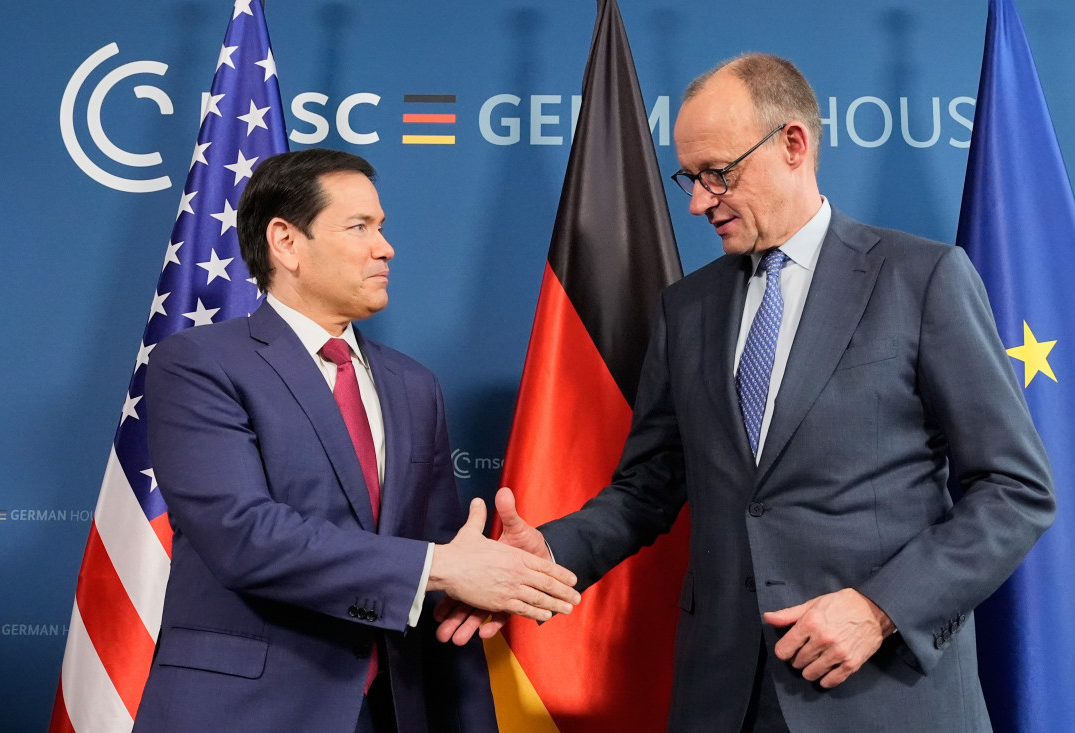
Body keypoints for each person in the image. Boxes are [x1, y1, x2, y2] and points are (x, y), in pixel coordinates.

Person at [438, 54, 1056, 732]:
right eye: (690, 178)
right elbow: (649, 486)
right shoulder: (686, 308)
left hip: (881, 691)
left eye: (719, 173)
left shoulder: (922, 277)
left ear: (793, 144)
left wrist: (881, 608)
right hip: (724, 694)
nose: (699, 202)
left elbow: (1014, 488)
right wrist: (550, 556)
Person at [134, 148, 580, 733]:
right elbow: (244, 535)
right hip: (247, 712)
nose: (385, 248)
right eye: (359, 227)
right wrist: (440, 566)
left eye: (382, 227)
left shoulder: (414, 384)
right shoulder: (198, 363)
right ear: (286, 242)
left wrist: (485, 574)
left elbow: (441, 569)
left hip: (394, 709)